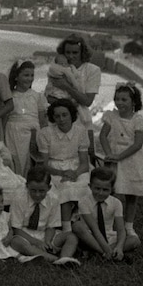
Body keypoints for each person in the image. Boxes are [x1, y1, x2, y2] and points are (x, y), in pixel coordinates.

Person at [99, 82, 143, 239]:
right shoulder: (111, 116)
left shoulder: (138, 120)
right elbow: (103, 136)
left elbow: (137, 144)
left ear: (133, 102)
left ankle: (129, 226)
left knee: (131, 194)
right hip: (114, 157)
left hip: (132, 159)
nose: (119, 103)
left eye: (124, 99)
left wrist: (119, 157)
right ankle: (111, 224)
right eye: (117, 99)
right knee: (112, 192)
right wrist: (109, 154)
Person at [37, 99, 91, 233]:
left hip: (77, 168)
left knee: (86, 188)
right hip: (53, 169)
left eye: (64, 115)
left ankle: (86, 226)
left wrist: (74, 173)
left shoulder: (81, 131)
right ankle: (67, 229)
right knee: (65, 187)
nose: (61, 119)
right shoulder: (45, 133)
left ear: (71, 115)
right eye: (57, 116)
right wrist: (62, 173)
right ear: (52, 117)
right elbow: (44, 164)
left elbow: (84, 163)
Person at [10, 167, 80, 265]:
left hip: (44, 234)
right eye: (33, 190)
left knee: (71, 237)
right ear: (27, 186)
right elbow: (16, 229)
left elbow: (52, 226)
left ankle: (65, 257)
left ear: (49, 188)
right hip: (25, 235)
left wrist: (47, 240)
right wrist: (36, 242)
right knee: (16, 242)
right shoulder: (19, 198)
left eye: (42, 191)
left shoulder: (54, 198)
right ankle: (55, 260)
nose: (37, 195)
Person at [72, 167, 140, 261]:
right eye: (97, 188)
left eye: (105, 190)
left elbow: (121, 229)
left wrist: (119, 247)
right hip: (90, 237)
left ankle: (101, 253)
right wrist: (107, 249)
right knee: (77, 226)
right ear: (90, 186)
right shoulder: (84, 202)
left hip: (108, 236)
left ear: (112, 189)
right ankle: (107, 253)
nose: (100, 193)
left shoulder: (116, 203)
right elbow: (94, 229)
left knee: (134, 240)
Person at [5, 60, 48, 177]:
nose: (29, 78)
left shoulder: (36, 96)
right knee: (15, 163)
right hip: (14, 133)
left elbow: (42, 120)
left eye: (32, 75)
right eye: (26, 75)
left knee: (30, 163)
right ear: (16, 77)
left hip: (33, 133)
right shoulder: (10, 96)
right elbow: (5, 118)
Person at [49, 34, 101, 130]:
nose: (70, 56)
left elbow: (87, 101)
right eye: (67, 52)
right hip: (59, 122)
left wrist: (66, 86)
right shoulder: (57, 69)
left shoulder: (93, 70)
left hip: (81, 122)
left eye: (75, 52)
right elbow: (49, 97)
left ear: (82, 53)